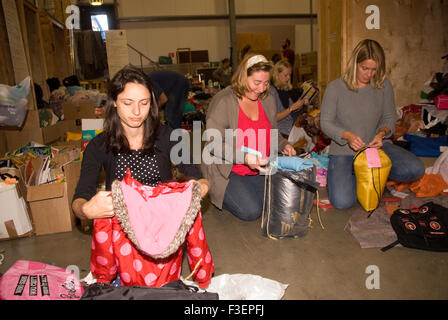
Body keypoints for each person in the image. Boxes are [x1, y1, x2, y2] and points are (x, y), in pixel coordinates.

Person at [72, 65, 213, 288]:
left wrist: (200, 187)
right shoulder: (98, 146)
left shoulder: (170, 136)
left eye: (144, 103)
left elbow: (196, 174)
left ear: (153, 103)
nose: (137, 111)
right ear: (114, 102)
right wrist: (86, 210)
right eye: (128, 103)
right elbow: (79, 199)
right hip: (124, 239)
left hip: (165, 233)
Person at [320, 39, 425, 210]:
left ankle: (375, 175)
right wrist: (348, 136)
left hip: (375, 148)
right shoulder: (335, 87)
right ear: (355, 63)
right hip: (344, 151)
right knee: (342, 202)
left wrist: (382, 133)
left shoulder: (383, 85)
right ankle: (361, 175)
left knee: (415, 169)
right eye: (365, 68)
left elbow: (389, 118)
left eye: (374, 69)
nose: (369, 74)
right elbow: (325, 123)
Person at [201, 53, 296, 221]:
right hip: (229, 170)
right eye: (257, 83)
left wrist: (284, 145)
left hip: (260, 167)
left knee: (282, 200)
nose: (261, 89)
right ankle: (221, 193)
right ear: (244, 77)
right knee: (251, 211)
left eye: (266, 83)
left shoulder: (268, 100)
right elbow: (213, 143)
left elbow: (273, 133)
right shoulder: (224, 101)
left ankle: (247, 190)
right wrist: (244, 157)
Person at [270, 60, 309, 144]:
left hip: (290, 126)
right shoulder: (272, 92)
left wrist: (300, 104)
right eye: (285, 75)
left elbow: (292, 109)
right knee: (310, 135)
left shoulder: (284, 89)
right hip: (282, 130)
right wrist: (291, 108)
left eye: (289, 75)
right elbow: (273, 118)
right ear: (277, 75)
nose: (288, 78)